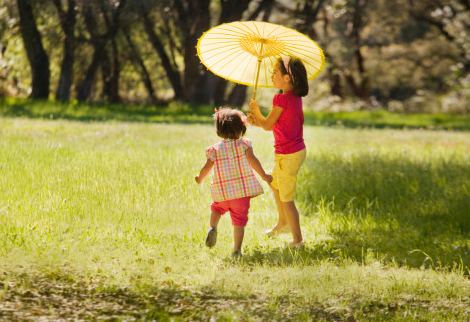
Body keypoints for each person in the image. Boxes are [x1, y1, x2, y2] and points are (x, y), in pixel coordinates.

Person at [247, 55, 308, 248]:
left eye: (275, 73)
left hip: (288, 154)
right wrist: (256, 121)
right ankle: (282, 223)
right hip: (290, 152)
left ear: (287, 78)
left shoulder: (280, 99)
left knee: (286, 197)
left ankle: (298, 240)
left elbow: (267, 125)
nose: (272, 76)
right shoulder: (294, 98)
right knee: (275, 184)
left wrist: (256, 111)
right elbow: (277, 125)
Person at [195, 108, 273, 256]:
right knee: (239, 221)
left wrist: (200, 178)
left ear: (219, 129)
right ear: (242, 128)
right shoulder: (245, 144)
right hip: (241, 194)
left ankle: (213, 227)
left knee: (216, 209)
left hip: (222, 192)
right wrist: (264, 176)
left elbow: (206, 167)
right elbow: (253, 160)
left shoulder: (215, 149)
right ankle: (236, 250)